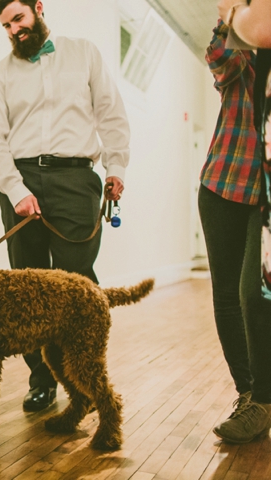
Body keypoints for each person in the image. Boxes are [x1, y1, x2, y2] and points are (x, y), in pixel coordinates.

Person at [0, 0, 130, 412]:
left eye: (19, 18)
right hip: (21, 182)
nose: (13, 30)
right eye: (6, 25)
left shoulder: (84, 54)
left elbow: (111, 114)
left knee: (78, 281)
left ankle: (85, 375)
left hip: (76, 178)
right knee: (28, 287)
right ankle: (41, 380)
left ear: (38, 8)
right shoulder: (0, 76)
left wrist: (116, 166)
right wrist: (15, 189)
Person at [205, 0, 271, 444]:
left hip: (263, 188)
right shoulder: (239, 42)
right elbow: (219, 64)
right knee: (228, 295)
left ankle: (264, 397)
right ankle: (250, 396)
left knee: (255, 293)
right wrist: (228, 19)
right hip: (223, 177)